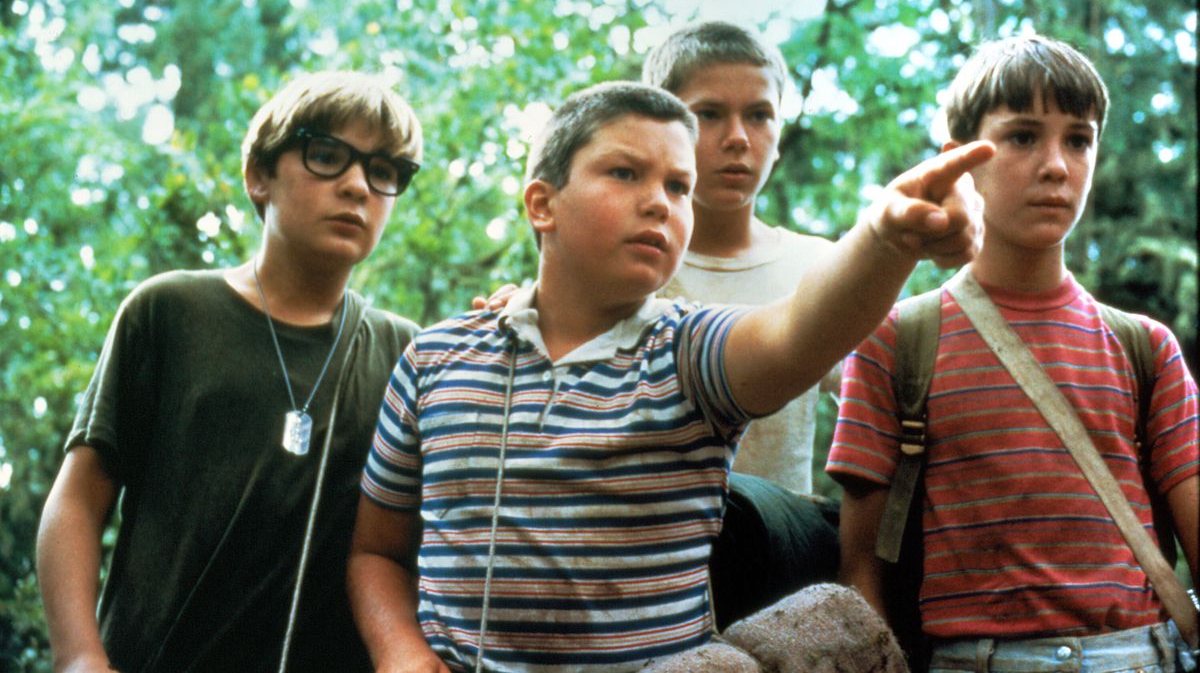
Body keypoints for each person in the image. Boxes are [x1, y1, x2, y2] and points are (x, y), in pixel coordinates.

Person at [348, 80, 993, 672]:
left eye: (679, 187)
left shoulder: (688, 353)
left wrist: (886, 237)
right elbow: (375, 551)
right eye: (625, 173)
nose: (659, 202)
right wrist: (399, 650)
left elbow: (800, 333)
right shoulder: (434, 359)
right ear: (542, 204)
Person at [828, 35, 1199, 671]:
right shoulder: (896, 340)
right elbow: (860, 562)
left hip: (1141, 655)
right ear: (957, 161)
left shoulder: (1144, 348)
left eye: (1078, 139)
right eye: (1024, 137)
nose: (1056, 165)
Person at [36, 71, 424, 673]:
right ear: (258, 176)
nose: (357, 186)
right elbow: (79, 502)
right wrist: (80, 656)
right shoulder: (168, 311)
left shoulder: (411, 355)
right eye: (327, 156)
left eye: (384, 171)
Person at [642, 20, 841, 626]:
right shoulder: (628, 262)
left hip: (775, 584)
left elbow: (883, 413)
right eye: (708, 115)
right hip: (643, 574)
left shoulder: (820, 266)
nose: (737, 138)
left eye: (759, 115)